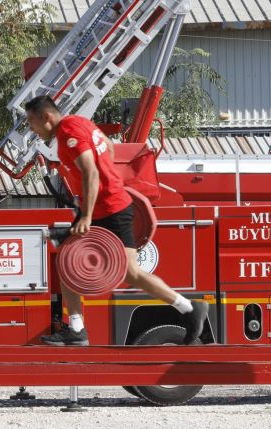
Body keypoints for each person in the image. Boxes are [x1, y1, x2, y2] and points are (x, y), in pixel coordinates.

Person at [24, 95, 208, 346]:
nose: (32, 129)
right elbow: (109, 148)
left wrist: (86, 215)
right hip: (111, 204)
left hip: (108, 209)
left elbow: (90, 171)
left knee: (112, 270)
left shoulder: (68, 134)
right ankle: (78, 328)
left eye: (32, 122)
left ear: (46, 117)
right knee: (73, 262)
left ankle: (187, 308)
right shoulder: (81, 122)